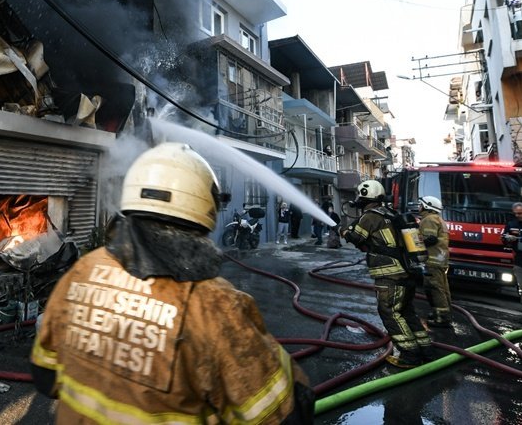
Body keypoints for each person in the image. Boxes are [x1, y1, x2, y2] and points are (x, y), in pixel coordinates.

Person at [30, 143, 315, 424]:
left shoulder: (84, 269)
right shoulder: (216, 305)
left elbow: (46, 377)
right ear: (204, 205)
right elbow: (286, 414)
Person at [341, 180, 434, 368]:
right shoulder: (392, 214)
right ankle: (426, 350)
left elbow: (356, 237)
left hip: (390, 275)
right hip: (408, 272)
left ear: (364, 196)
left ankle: (410, 355)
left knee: (390, 312)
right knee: (407, 312)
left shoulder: (370, 217)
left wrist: (343, 231)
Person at [417, 196, 451, 327]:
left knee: (435, 288)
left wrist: (413, 239)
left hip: (433, 260)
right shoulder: (438, 219)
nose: (419, 207)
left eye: (421, 204)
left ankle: (442, 318)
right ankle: (443, 313)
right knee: (442, 288)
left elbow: (429, 239)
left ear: (427, 206)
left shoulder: (429, 219)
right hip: (440, 259)